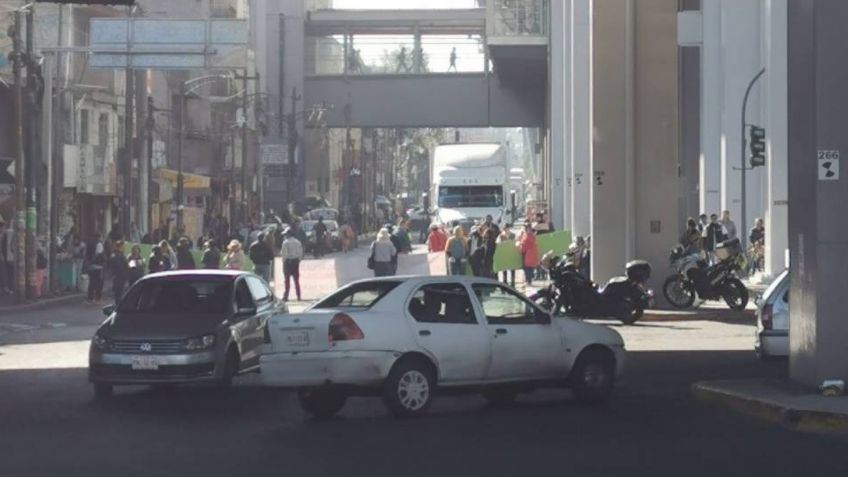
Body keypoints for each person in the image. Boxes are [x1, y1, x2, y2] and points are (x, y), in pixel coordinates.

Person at [281, 228, 304, 301]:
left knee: (287, 281)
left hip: (288, 262)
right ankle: (298, 296)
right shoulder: (298, 242)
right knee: (296, 280)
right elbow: (300, 253)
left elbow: (284, 255)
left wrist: (284, 262)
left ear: (288, 234)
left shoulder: (285, 242)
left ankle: (286, 296)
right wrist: (298, 260)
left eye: (286, 234)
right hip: (295, 262)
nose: (285, 235)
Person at [85, 234, 106, 304]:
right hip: (99, 266)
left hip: (91, 265)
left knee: (92, 282)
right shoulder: (99, 244)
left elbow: (86, 254)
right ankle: (98, 297)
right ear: (99, 237)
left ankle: (90, 297)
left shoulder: (89, 243)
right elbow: (99, 254)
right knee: (99, 283)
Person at [0, 216, 13, 294]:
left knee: (4, 272)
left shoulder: (6, 234)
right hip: (3, 257)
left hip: (4, 257)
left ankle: (5, 288)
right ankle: (4, 288)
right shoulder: (4, 234)